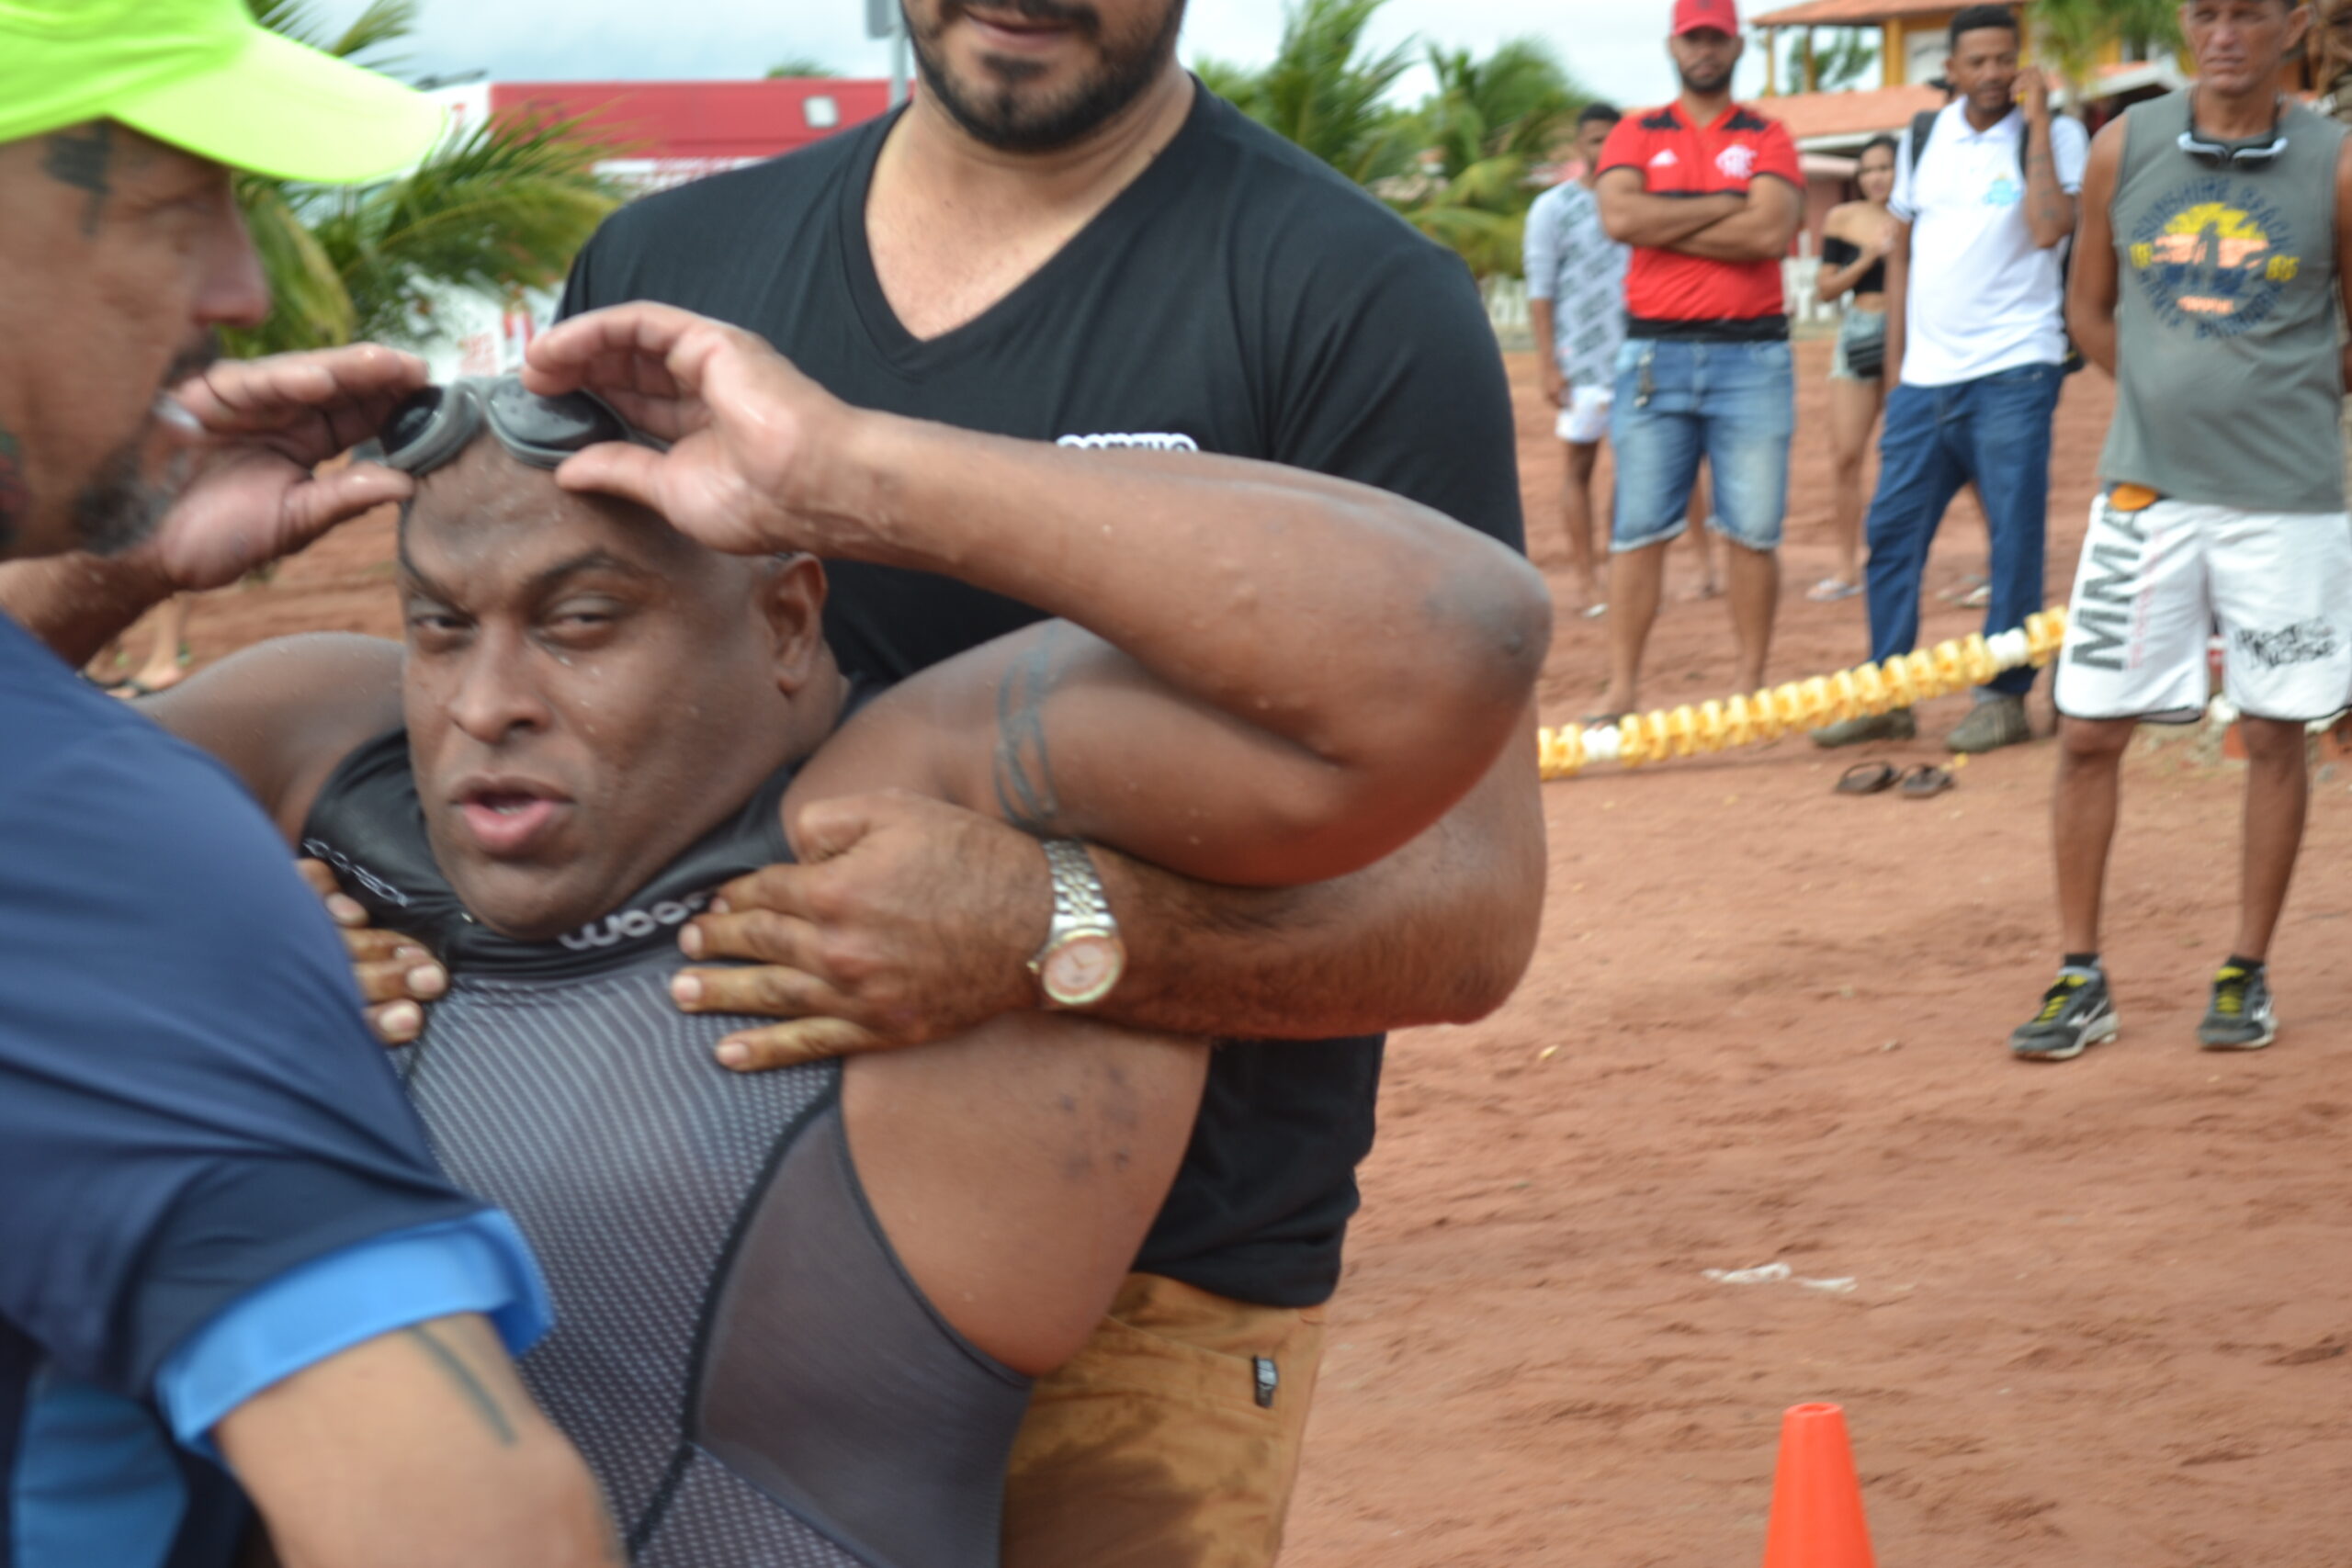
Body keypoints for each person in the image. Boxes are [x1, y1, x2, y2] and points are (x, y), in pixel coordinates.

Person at [19, 326, 1545, 1563]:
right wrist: (126, 559)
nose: (486, 703)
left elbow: (1460, 639)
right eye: (440, 625)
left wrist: (852, 468)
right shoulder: (321, 748)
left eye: (582, 621)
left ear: (789, 620)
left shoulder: (927, 814)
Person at [539, 5, 1549, 1562]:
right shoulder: (664, 277)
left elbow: (1467, 910)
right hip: (684, 1231)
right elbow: (529, 698)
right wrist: (359, 895)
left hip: (1151, 1292)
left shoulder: (1350, 299)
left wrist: (1049, 925)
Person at [0, 3, 618, 1564]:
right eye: (175, 206)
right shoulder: (97, 852)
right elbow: (480, 1531)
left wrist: (105, 562)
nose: (243, 286)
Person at [2010, 0, 2352, 1061]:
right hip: (2146, 492)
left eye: (2249, 13)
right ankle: (2079, 976)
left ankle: (2245, 970)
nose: (2224, 33)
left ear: (2293, 24)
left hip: (2286, 501)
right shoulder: (2126, 146)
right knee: (2085, 731)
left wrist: (2273, 400)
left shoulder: (2337, 166)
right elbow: (2085, 310)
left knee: (2274, 730)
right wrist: (2164, 396)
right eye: (2206, 12)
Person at [1813, 6, 2086, 754]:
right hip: (1925, 379)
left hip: (2016, 369)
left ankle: (2004, 697)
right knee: (1891, 534)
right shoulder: (1923, 137)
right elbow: (1902, 252)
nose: (1994, 74)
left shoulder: (2059, 135)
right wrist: (1899, 372)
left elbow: (2049, 227)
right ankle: (1888, 693)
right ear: (1952, 70)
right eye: (1978, 62)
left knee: (2014, 536)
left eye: (2006, 59)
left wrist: (2037, 121)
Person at [1591, 0, 1804, 718]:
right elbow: (1619, 217)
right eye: (1693, 39)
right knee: (1638, 529)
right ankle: (1622, 690)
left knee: (1751, 530)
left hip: (1753, 358)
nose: (1704, 50)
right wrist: (1725, 203)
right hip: (1656, 354)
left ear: (1737, 46)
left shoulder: (1769, 133)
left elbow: (1769, 233)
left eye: (1716, 38)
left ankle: (1749, 684)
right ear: (1673, 46)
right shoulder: (1634, 130)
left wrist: (1665, 221)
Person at [1526, 102, 1628, 616]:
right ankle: (1587, 580)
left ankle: (1621, 574)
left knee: (1635, 472)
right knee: (1580, 468)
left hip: (1638, 357)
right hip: (1580, 361)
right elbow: (1540, 289)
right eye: (1595, 140)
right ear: (1579, 145)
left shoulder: (1639, 202)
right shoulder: (1553, 207)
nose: (1605, 148)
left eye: (1614, 138)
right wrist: (1549, 362)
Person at [1811, 134, 1899, 602]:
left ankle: (1987, 559)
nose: (1876, 177)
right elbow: (1826, 290)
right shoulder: (1842, 218)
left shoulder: (1918, 214)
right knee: (1846, 454)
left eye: (1885, 167)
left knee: (1929, 449)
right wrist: (1870, 256)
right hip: (1860, 331)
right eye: (1867, 170)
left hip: (1911, 334)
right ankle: (1847, 568)